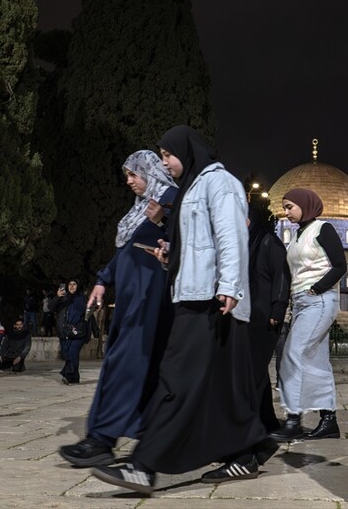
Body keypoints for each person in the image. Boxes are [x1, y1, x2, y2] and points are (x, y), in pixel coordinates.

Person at [92, 125, 268, 493]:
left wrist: (230, 287)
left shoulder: (218, 183)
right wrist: (171, 254)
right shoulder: (194, 185)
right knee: (223, 387)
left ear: (186, 152)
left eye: (168, 155)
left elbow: (230, 236)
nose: (164, 162)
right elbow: (197, 244)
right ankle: (246, 454)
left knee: (176, 379)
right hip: (197, 293)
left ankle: (144, 465)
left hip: (212, 299)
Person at [59, 150, 177, 467]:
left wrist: (165, 220)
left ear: (148, 172)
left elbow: (185, 239)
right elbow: (124, 253)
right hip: (131, 299)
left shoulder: (170, 199)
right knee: (133, 365)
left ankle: (101, 438)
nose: (128, 181)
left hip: (149, 299)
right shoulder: (141, 208)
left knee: (125, 364)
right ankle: (142, 436)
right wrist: (102, 280)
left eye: (132, 174)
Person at [270, 187, 346, 442]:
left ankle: (293, 419)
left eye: (290, 206)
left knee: (293, 353)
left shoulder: (323, 228)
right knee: (315, 361)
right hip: (302, 302)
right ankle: (328, 420)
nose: (286, 211)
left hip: (319, 300)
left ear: (305, 204)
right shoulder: (298, 235)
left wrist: (316, 288)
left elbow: (340, 265)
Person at [246, 199, 291, 436]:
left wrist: (278, 309)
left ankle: (250, 423)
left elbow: (282, 277)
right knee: (258, 371)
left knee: (254, 369)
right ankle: (267, 421)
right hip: (250, 316)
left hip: (266, 317)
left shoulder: (269, 242)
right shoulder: (249, 244)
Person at [56, 280, 88, 385]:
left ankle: (67, 374)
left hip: (79, 331)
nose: (72, 286)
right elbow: (51, 307)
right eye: (70, 284)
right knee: (70, 355)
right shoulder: (64, 298)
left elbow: (87, 314)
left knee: (72, 352)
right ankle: (75, 378)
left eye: (74, 284)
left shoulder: (82, 298)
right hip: (67, 331)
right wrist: (58, 297)